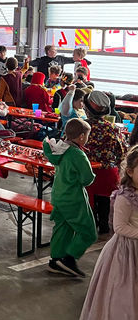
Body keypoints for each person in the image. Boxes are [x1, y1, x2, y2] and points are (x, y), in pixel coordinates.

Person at [75, 145, 138, 320]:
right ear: (130, 171)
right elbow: (120, 227)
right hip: (125, 253)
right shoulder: (125, 197)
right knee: (124, 298)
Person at [42, 119, 97, 278]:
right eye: (87, 136)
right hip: (73, 198)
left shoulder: (59, 149)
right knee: (88, 232)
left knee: (63, 227)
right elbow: (87, 179)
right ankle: (69, 259)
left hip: (58, 195)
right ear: (81, 136)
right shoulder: (78, 154)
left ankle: (56, 260)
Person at [84, 91, 128, 234]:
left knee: (87, 205)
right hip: (108, 173)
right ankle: (103, 227)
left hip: (84, 173)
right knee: (105, 206)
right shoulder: (112, 128)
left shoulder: (80, 127)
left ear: (86, 108)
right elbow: (122, 152)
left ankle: (89, 227)